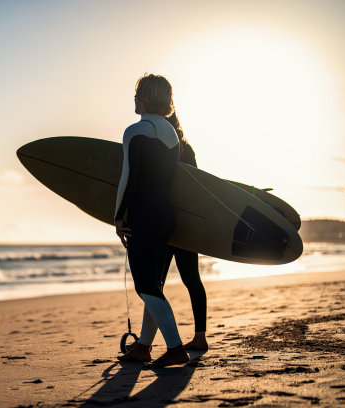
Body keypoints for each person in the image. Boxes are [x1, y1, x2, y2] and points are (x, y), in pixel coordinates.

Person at [115, 74, 189, 367]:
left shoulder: (136, 131)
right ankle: (144, 346)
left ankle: (175, 348)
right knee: (154, 285)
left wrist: (118, 216)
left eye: (136, 96)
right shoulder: (173, 135)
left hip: (143, 217)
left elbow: (128, 178)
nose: (134, 101)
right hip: (166, 217)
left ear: (143, 99)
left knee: (145, 286)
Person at [162, 112, 209, 351]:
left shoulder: (169, 148)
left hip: (167, 223)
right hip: (186, 225)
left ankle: (148, 343)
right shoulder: (186, 149)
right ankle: (199, 336)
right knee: (191, 280)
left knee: (155, 284)